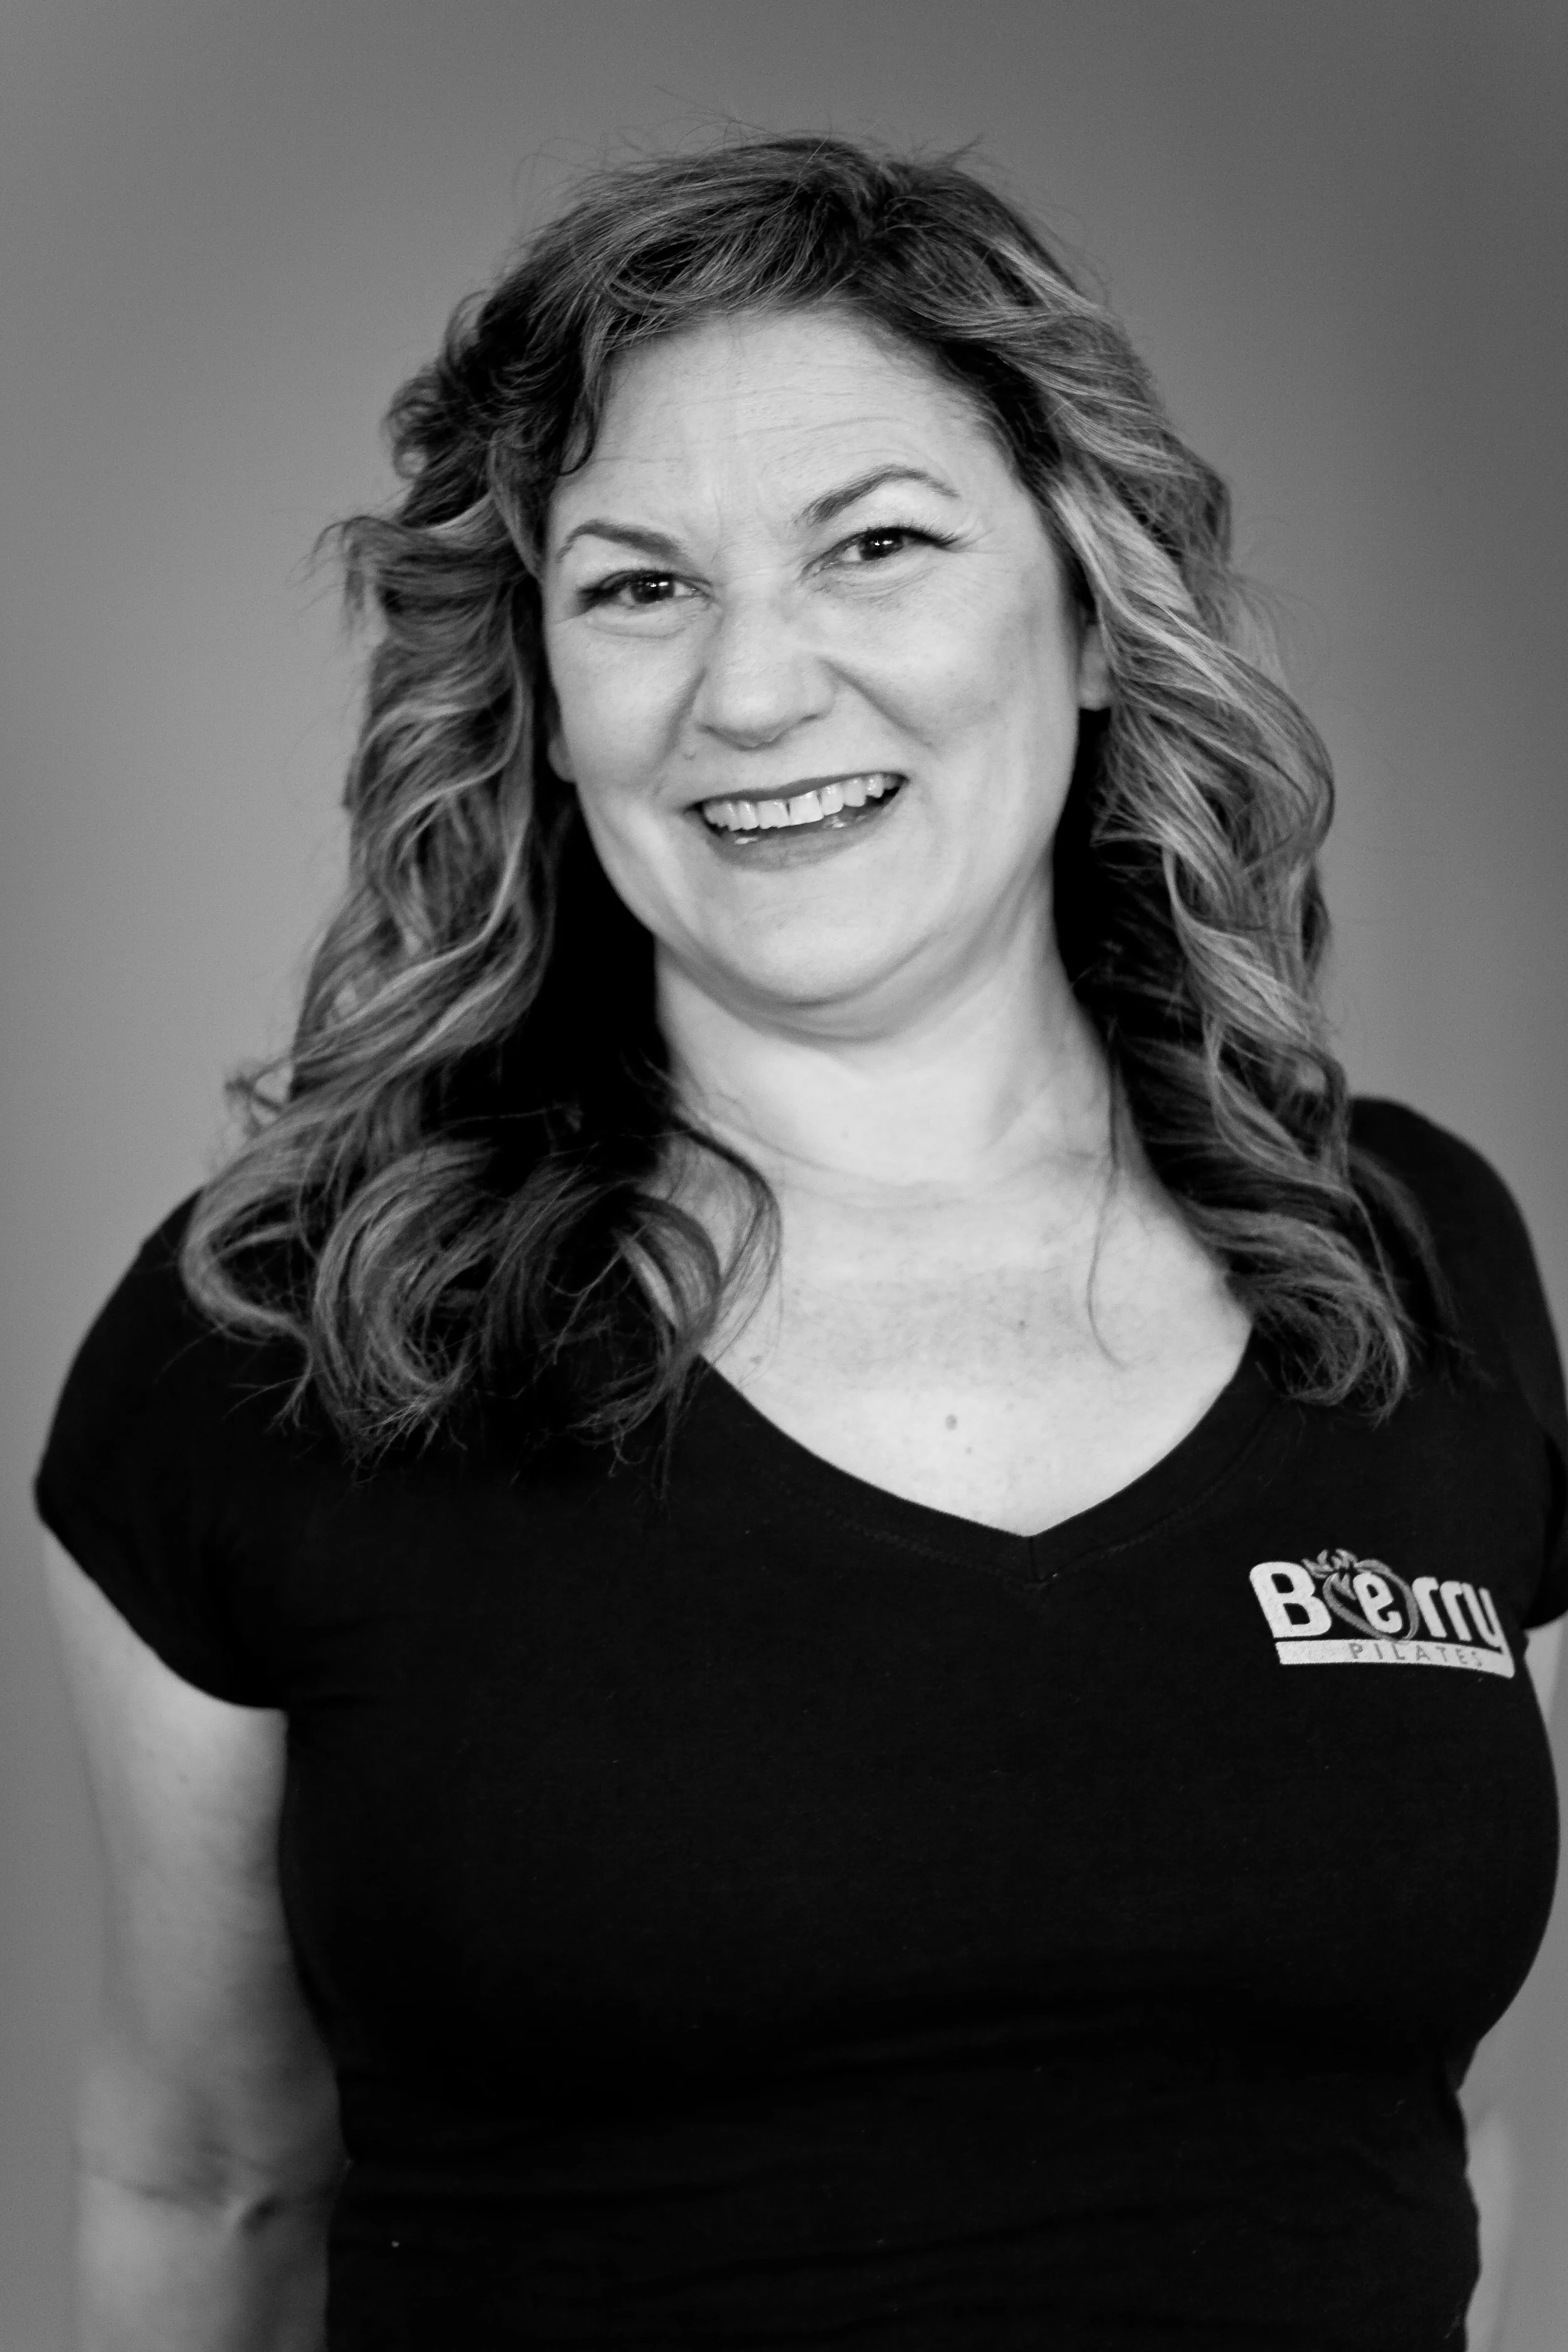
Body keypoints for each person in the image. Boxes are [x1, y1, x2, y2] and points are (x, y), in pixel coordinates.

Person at [35, 134, 1565, 2351]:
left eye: (872, 547)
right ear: (547, 706)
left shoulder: (1418, 1262)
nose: (751, 691)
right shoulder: (283, 1337)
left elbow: (1427, 2136)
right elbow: (207, 2179)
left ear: (1089, 606)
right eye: (638, 587)